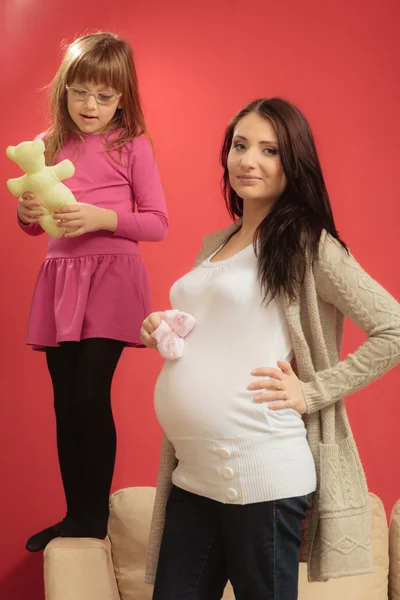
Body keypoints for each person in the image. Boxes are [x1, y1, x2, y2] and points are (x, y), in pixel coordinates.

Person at [140, 98, 400, 599]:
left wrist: (312, 390)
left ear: (292, 162)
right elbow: (226, 331)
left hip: (261, 474)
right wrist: (165, 330)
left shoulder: (308, 243)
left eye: (268, 150)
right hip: (193, 474)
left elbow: (393, 328)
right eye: (240, 146)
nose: (248, 160)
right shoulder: (217, 243)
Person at [16, 31, 168, 552]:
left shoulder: (132, 145)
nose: (91, 106)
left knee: (88, 394)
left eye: (105, 97)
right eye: (81, 92)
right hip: (62, 278)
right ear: (64, 89)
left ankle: (92, 518)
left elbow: (157, 223)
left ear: (121, 99)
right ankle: (74, 513)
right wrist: (26, 215)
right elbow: (38, 227)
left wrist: (101, 217)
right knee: (64, 402)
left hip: (110, 279)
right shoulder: (50, 145)